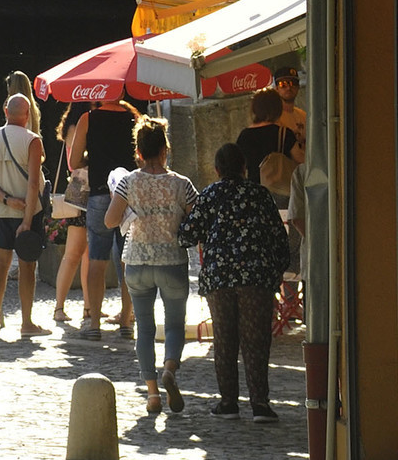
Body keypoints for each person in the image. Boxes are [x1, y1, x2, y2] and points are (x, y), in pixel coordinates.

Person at [180, 141, 292, 421]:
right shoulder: (260, 195)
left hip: (219, 277)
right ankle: (260, 405)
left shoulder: (210, 195)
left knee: (225, 339)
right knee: (256, 341)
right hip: (256, 276)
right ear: (245, 168)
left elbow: (186, 236)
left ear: (217, 170)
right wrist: (277, 269)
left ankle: (228, 403)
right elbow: (280, 239)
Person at [105, 118, 199, 416]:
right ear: (165, 149)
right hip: (172, 261)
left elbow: (109, 221)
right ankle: (170, 368)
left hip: (137, 262)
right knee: (173, 324)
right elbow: (197, 220)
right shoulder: (182, 184)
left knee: (143, 328)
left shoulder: (128, 182)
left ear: (139, 151)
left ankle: (153, 394)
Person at [71, 97, 139, 339]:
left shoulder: (88, 119)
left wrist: (92, 160)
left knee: (97, 259)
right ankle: (126, 322)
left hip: (100, 192)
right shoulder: (134, 117)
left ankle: (94, 326)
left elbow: (73, 162)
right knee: (128, 259)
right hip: (128, 197)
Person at [0, 93, 44, 338]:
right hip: (29, 212)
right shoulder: (32, 140)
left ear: (6, 111)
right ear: (27, 116)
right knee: (27, 267)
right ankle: (26, 323)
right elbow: (34, 182)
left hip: (2, 211)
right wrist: (26, 219)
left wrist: (6, 199)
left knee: (0, 267)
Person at [50, 103, 91, 329]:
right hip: (83, 187)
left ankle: (87, 306)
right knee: (74, 253)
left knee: (83, 254)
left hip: (80, 187)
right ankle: (59, 307)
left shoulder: (71, 124)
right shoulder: (78, 126)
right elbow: (76, 160)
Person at [235, 89, 301, 205]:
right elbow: (301, 159)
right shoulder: (283, 133)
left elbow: (239, 168)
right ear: (277, 109)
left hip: (253, 195)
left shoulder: (244, 135)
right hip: (281, 194)